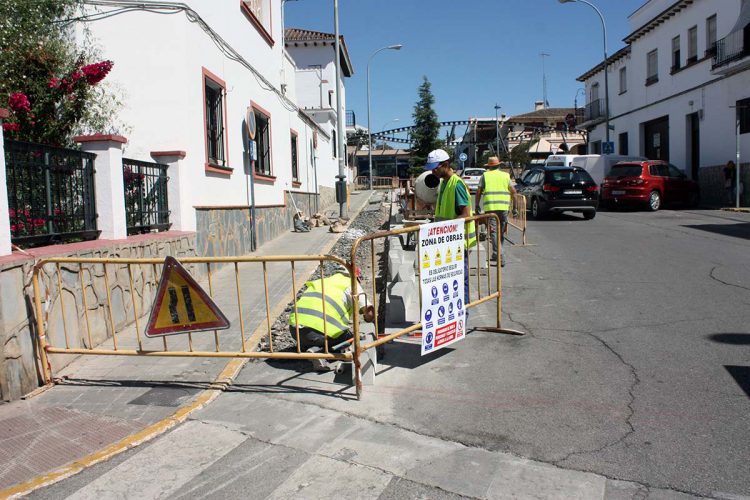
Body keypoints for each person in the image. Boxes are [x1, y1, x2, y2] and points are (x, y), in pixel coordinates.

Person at [288, 265, 374, 371]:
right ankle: (318, 352)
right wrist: (370, 319)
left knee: (323, 334)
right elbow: (369, 312)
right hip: (317, 332)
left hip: (294, 330)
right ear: (356, 276)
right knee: (349, 338)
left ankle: (310, 346)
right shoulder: (351, 283)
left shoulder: (321, 281)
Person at [424, 148, 477, 318]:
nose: (433, 171)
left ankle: (463, 316)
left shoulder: (457, 184)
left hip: (458, 242)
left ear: (445, 165)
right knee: (449, 281)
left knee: (461, 281)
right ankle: (452, 315)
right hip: (446, 243)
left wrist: (447, 228)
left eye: (435, 168)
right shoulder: (444, 183)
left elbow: (465, 214)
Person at [474, 157, 516, 267]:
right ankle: (496, 253)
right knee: (500, 233)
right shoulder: (506, 176)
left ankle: (500, 257)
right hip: (503, 209)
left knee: (494, 233)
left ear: (489, 166)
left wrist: (477, 205)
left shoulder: (485, 176)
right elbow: (514, 192)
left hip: (491, 209)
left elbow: (478, 191)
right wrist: (515, 208)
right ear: (498, 165)